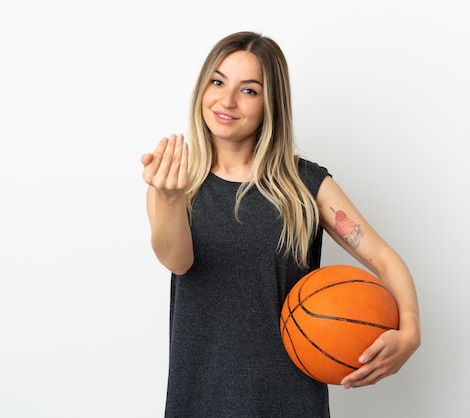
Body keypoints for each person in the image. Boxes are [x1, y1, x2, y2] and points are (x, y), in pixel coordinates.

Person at [140, 31, 420, 418]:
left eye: (249, 90)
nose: (227, 100)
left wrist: (410, 330)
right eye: (217, 81)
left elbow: (383, 257)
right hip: (201, 395)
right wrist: (169, 197)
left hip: (290, 400)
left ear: (271, 103)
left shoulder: (304, 184)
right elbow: (177, 261)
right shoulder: (174, 184)